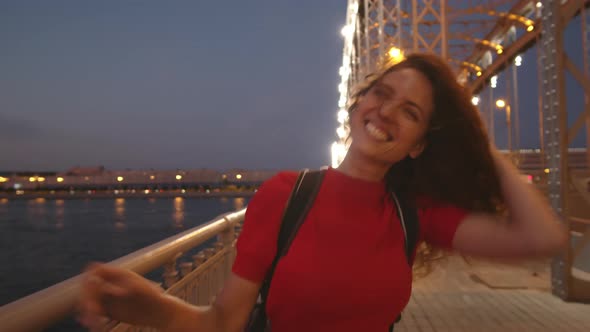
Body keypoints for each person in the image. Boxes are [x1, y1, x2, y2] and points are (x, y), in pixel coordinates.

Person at [78, 53, 567, 332]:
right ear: (359, 104)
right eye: (381, 93)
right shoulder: (285, 195)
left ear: (419, 146)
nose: (387, 112)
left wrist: (482, 147)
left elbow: (541, 239)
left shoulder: (412, 214)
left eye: (411, 113)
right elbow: (224, 322)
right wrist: (152, 307)